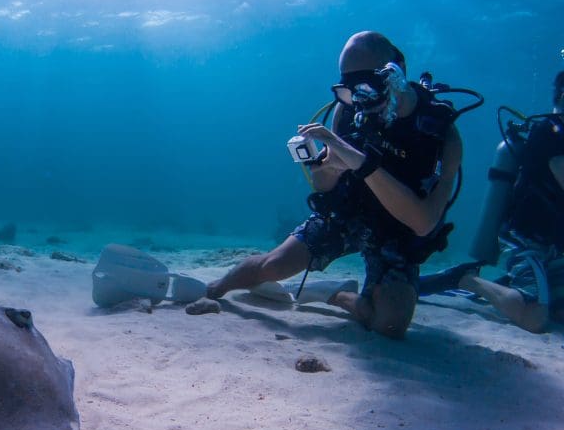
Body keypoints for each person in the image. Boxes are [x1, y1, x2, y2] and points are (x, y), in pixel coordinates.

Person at [193, 31, 463, 339]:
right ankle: (214, 287)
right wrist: (327, 167)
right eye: (347, 90)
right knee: (272, 267)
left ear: (394, 75)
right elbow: (323, 187)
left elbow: (424, 223)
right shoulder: (348, 112)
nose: (356, 101)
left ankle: (336, 295)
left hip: (398, 231)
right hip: (348, 212)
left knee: (389, 324)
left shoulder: (440, 134)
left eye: (364, 88)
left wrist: (358, 162)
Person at [417, 71, 564, 333]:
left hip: (556, 247)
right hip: (528, 241)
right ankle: (466, 280)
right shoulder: (550, 132)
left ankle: (509, 284)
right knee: (535, 317)